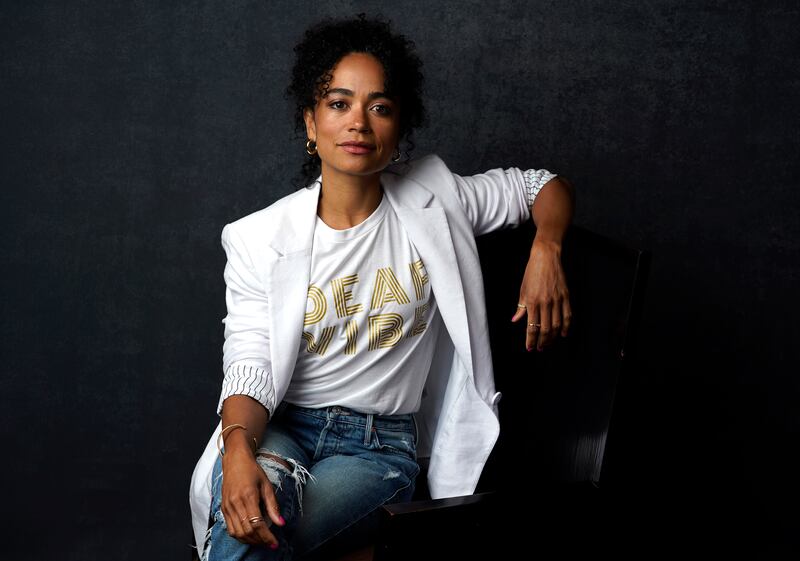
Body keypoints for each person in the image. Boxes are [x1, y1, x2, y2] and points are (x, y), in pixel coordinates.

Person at [190, 13, 574, 561]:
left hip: (378, 450)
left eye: (380, 107)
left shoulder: (438, 199)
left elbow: (544, 186)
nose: (359, 124)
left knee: (270, 534)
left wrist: (548, 250)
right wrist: (236, 453)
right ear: (310, 122)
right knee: (250, 516)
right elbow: (249, 364)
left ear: (399, 127)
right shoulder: (258, 238)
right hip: (282, 429)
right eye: (339, 103)